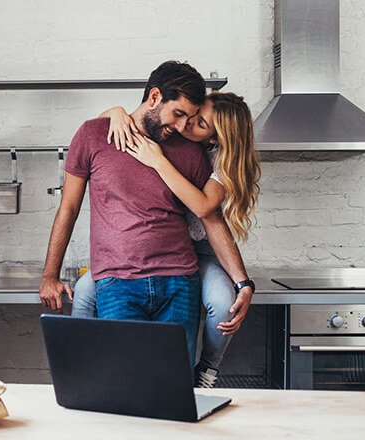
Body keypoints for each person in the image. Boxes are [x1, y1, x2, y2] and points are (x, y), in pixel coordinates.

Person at [39, 61, 254, 373]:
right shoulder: (94, 134)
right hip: (118, 281)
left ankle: (207, 372)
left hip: (180, 281)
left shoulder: (191, 151)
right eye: (179, 115)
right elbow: (68, 208)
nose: (182, 127)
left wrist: (243, 282)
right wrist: (49, 275)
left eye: (191, 119)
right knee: (123, 380)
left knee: (174, 383)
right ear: (155, 97)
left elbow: (210, 217)